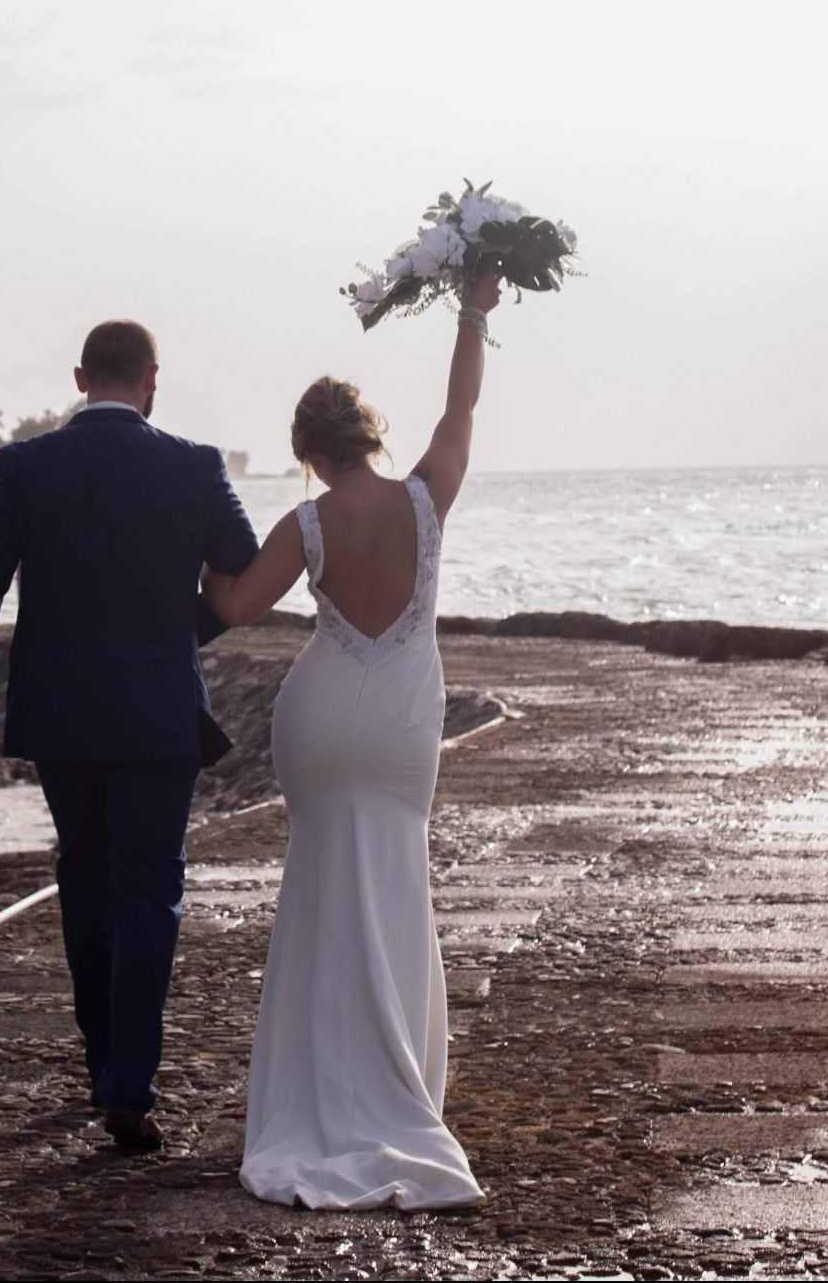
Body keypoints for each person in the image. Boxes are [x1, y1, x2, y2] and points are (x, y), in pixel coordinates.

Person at [0, 319, 257, 1152]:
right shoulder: (196, 464)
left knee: (85, 882)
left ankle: (100, 1059)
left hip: (63, 716)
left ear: (79, 378)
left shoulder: (25, 466)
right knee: (152, 892)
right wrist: (180, 636)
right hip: (159, 714)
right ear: (151, 380)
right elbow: (244, 571)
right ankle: (129, 1082)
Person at [199, 265, 498, 1209]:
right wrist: (472, 313)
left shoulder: (307, 520)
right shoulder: (424, 498)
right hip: (405, 722)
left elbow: (239, 606)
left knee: (323, 896)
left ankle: (317, 1099)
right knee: (396, 886)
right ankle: (398, 1089)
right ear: (370, 437)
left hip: (323, 721)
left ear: (309, 451)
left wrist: (189, 557)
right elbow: (459, 413)